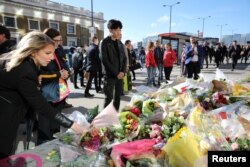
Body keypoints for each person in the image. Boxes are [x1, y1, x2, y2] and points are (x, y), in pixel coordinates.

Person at [0, 31, 85, 158]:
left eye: (52, 52)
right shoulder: (25, 70)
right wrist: (73, 125)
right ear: (33, 51)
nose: (51, 57)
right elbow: (42, 106)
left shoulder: (21, 61)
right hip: (5, 117)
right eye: (47, 53)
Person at [38, 28, 71, 144]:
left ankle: (54, 136)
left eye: (60, 40)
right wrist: (58, 73)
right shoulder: (40, 52)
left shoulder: (58, 50)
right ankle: (43, 142)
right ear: (48, 40)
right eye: (57, 40)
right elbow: (39, 73)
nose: (60, 43)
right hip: (47, 91)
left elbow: (64, 64)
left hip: (60, 89)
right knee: (45, 119)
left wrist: (67, 72)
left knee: (57, 116)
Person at [101, 19, 127, 111]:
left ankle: (115, 116)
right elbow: (104, 60)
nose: (118, 32)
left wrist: (123, 72)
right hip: (109, 75)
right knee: (108, 98)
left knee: (118, 97)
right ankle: (104, 120)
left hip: (120, 75)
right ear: (110, 30)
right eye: (116, 30)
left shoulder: (120, 43)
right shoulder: (104, 42)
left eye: (120, 30)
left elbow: (124, 58)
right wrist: (116, 73)